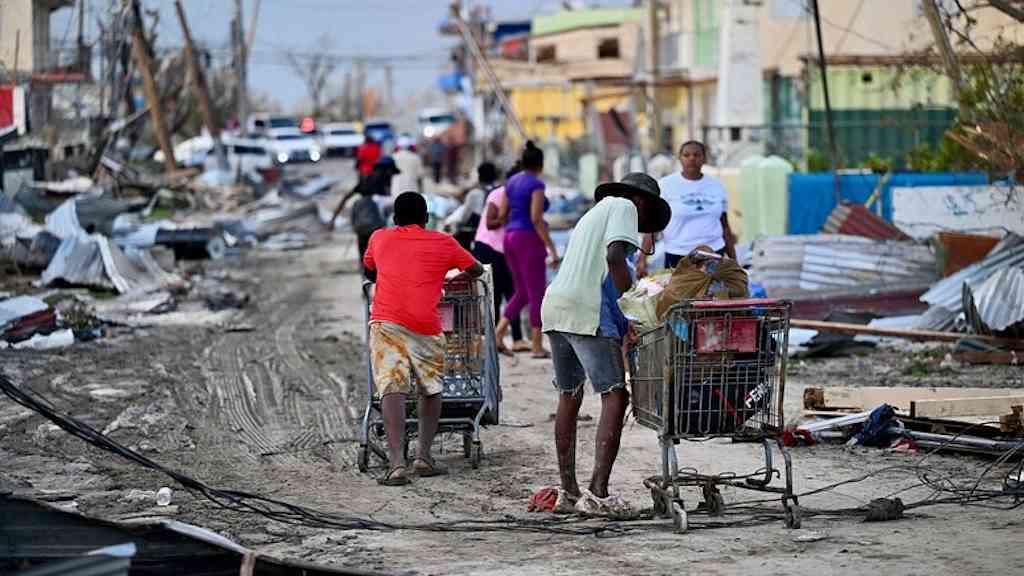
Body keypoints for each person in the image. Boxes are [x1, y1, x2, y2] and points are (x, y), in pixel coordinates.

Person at [539, 172, 671, 517]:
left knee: (569, 393)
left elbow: (599, 270)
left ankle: (568, 490)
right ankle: (598, 492)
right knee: (615, 393)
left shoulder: (592, 215)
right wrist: (634, 307)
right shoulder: (626, 206)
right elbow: (614, 260)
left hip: (555, 305)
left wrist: (622, 314)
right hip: (585, 312)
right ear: (641, 201)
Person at [363, 192, 485, 486]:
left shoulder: (379, 238)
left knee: (392, 385)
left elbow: (370, 269)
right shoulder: (444, 242)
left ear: (394, 219)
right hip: (426, 326)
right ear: (426, 218)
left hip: (387, 321)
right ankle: (423, 456)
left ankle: (395, 464)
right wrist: (447, 275)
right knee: (431, 388)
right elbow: (477, 270)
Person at [495, 141, 559, 359]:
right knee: (537, 293)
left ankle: (498, 333)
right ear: (540, 165)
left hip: (510, 238)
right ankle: (537, 345)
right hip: (528, 240)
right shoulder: (536, 185)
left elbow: (502, 215)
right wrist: (552, 249)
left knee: (522, 291)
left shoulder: (510, 182)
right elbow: (536, 218)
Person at [638, 140, 736, 275]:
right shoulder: (666, 185)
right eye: (686, 155)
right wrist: (642, 260)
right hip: (678, 255)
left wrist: (734, 260)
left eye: (697, 155)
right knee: (679, 294)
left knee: (713, 294)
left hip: (713, 253)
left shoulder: (716, 186)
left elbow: (725, 225)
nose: (692, 159)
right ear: (680, 158)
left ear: (704, 158)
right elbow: (653, 227)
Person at [469, 163, 529, 355]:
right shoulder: (499, 194)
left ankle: (516, 338)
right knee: (495, 292)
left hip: (507, 249)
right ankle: (495, 339)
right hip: (489, 247)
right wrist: (507, 215)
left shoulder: (524, 196)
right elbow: (491, 222)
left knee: (513, 291)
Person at [329, 156, 401, 278]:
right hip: (378, 228)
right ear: (388, 170)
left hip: (362, 225)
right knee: (381, 258)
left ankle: (366, 285)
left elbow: (346, 198)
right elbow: (388, 209)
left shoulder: (365, 180)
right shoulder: (385, 183)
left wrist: (333, 219)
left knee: (365, 256)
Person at [444, 161, 493, 250]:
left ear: (479, 176)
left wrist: (459, 226)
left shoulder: (474, 193)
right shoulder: (499, 191)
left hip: (477, 231)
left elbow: (465, 216)